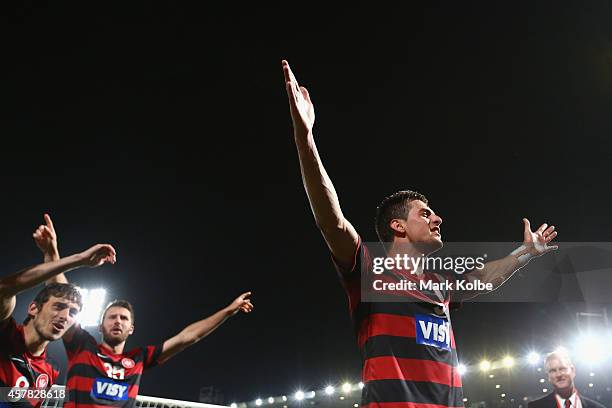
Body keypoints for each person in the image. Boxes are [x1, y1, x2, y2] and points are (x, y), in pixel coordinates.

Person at [282, 60, 559, 408]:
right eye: (425, 213)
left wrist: (525, 254)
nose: (438, 218)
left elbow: (485, 277)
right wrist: (305, 136)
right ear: (397, 226)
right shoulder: (368, 272)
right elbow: (332, 221)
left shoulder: (439, 285)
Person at [33, 217, 254, 408]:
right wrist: (52, 252)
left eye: (123, 318)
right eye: (111, 317)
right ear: (100, 326)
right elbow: (60, 292)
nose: (117, 321)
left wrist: (227, 311)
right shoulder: (82, 345)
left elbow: (189, 337)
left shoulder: (138, 359)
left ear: (131, 328)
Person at [0, 213, 116, 403]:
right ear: (33, 308)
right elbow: (5, 289)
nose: (65, 316)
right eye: (59, 307)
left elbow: (10, 398)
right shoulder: (5, 333)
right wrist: (80, 260)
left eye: (73, 312)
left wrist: (51, 253)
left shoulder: (49, 369)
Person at [528, 351, 606, 408]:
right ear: (548, 376)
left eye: (562, 369)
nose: (558, 374)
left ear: (573, 370)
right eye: (553, 371)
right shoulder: (535, 406)